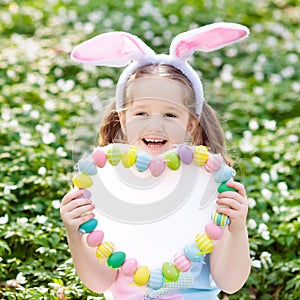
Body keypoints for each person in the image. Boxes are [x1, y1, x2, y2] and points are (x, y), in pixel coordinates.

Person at [60, 23, 251, 299]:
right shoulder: (105, 182)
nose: (155, 125)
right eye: (141, 113)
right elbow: (100, 282)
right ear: (122, 119)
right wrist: (74, 232)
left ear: (191, 124)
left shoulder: (208, 185)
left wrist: (237, 226)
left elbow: (230, 283)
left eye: (170, 115)